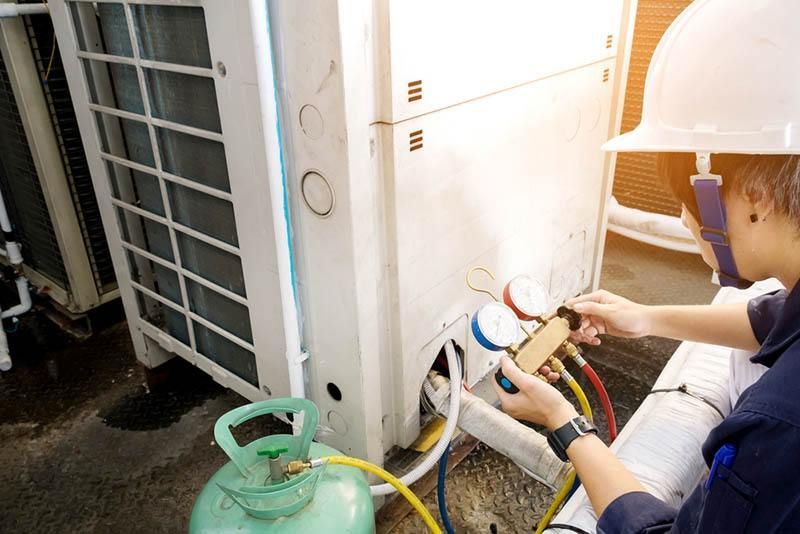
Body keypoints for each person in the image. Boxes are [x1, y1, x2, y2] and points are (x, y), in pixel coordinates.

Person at [493, 1, 800, 532]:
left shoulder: (777, 426)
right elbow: (775, 321)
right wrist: (646, 317)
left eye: (687, 200)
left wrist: (565, 425)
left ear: (754, 198)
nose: (683, 220)